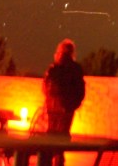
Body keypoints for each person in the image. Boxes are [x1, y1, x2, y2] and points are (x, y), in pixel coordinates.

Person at [39, 38, 86, 166]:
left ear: (61, 52)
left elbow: (44, 88)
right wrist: (71, 106)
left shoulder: (54, 69)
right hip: (66, 111)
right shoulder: (75, 69)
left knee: (49, 143)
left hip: (53, 110)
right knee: (61, 143)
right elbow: (80, 92)